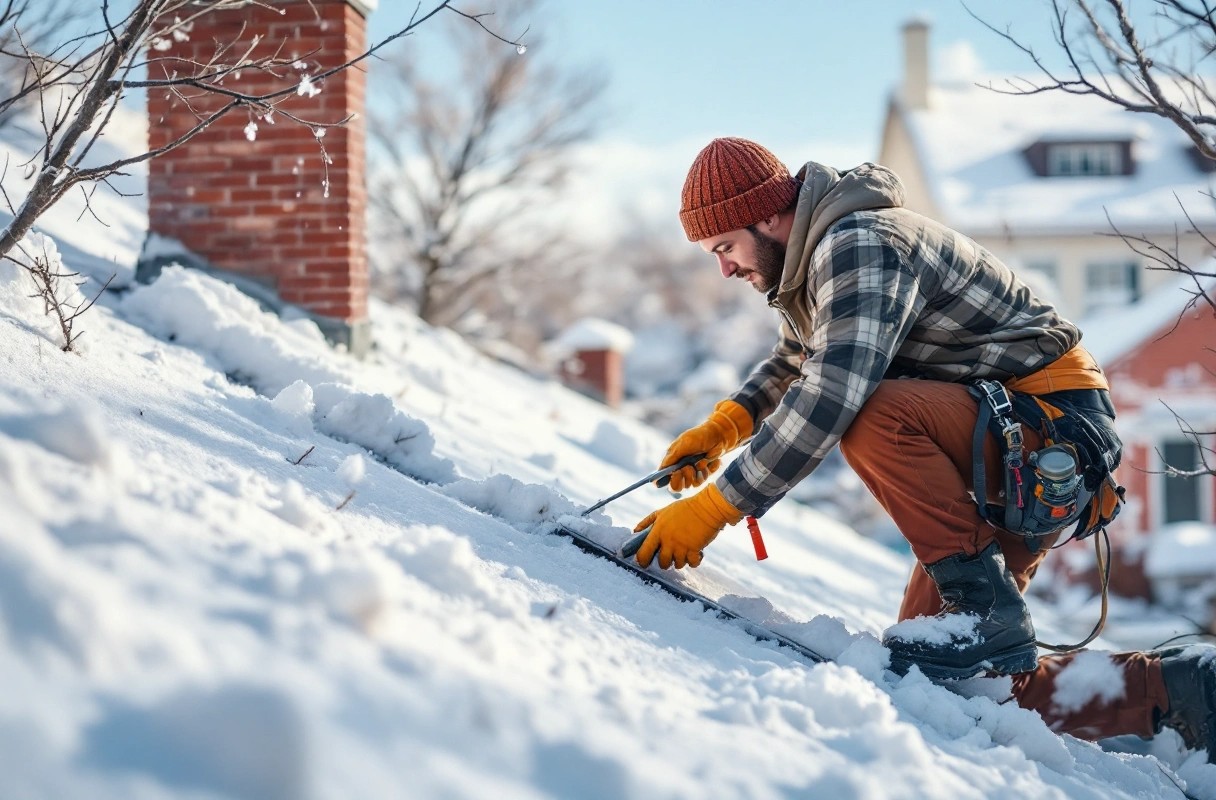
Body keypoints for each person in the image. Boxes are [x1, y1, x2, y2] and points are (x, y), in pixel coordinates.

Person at [631, 136, 1216, 758]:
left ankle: (984, 611)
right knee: (949, 683)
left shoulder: (860, 244)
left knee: (867, 411)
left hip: (1049, 430)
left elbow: (833, 391)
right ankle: (1177, 692)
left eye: (725, 247)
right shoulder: (814, 261)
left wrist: (716, 507)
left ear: (769, 217)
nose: (723, 268)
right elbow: (800, 359)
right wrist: (726, 425)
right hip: (1009, 436)